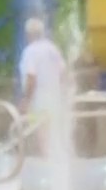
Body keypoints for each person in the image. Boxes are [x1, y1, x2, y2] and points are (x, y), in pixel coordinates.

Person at [17, 17, 70, 155]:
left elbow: (31, 78)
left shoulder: (30, 51)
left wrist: (26, 100)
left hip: (38, 100)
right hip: (55, 98)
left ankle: (45, 163)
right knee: (56, 134)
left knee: (41, 134)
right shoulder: (52, 48)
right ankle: (57, 161)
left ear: (28, 34)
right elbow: (64, 73)